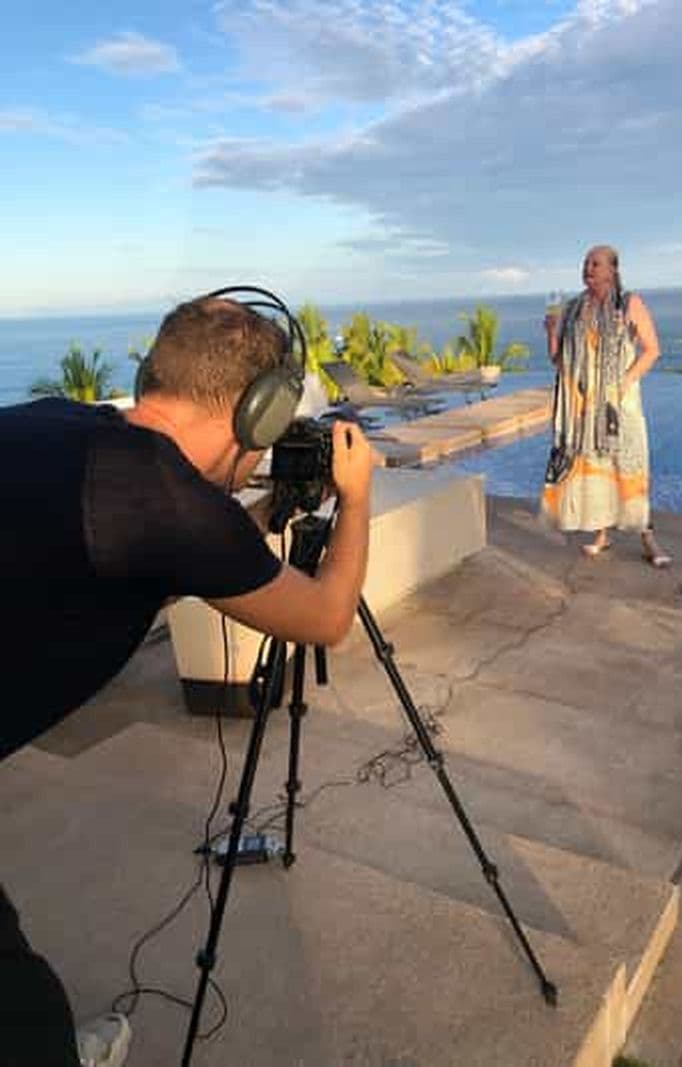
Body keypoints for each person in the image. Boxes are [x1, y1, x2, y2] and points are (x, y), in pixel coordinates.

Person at [0, 294, 376, 1066]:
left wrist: (254, 518)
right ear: (260, 414)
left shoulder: (60, 422)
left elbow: (175, 554)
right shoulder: (169, 508)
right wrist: (359, 494)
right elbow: (328, 614)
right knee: (21, 1009)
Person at [540, 245, 672, 568]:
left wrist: (623, 383)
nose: (588, 268)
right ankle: (602, 534)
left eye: (596, 263)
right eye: (586, 263)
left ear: (612, 270)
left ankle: (647, 537)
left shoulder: (628, 304)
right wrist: (552, 332)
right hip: (584, 408)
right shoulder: (573, 309)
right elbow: (560, 362)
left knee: (628, 468)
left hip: (619, 406)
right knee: (596, 470)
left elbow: (652, 350)